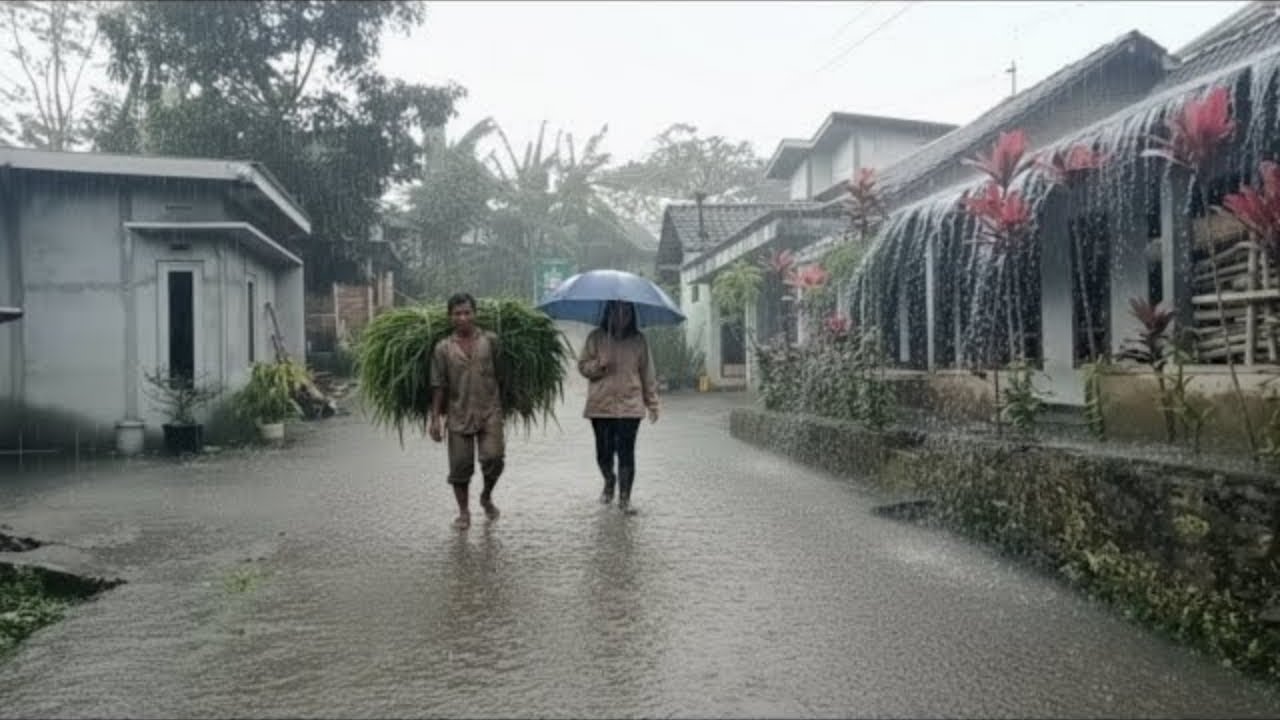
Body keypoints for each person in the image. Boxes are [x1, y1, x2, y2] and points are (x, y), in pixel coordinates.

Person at [428, 292, 504, 530]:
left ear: (475, 314)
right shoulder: (443, 348)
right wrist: (435, 420)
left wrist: (507, 406)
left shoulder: (490, 341)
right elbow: (438, 385)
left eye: (467, 312)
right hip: (458, 413)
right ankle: (464, 513)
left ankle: (486, 495)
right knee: (460, 467)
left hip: (489, 411)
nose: (463, 318)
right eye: (457, 314)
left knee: (493, 458)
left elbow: (503, 375)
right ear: (450, 317)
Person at [577, 300, 659, 513]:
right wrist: (598, 365)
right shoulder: (596, 338)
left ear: (632, 315)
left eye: (626, 312)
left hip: (630, 405)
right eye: (617, 311)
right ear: (609, 312)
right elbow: (583, 367)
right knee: (603, 453)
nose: (622, 316)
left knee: (626, 452)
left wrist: (652, 403)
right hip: (600, 405)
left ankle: (625, 499)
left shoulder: (639, 341)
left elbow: (647, 374)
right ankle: (609, 480)